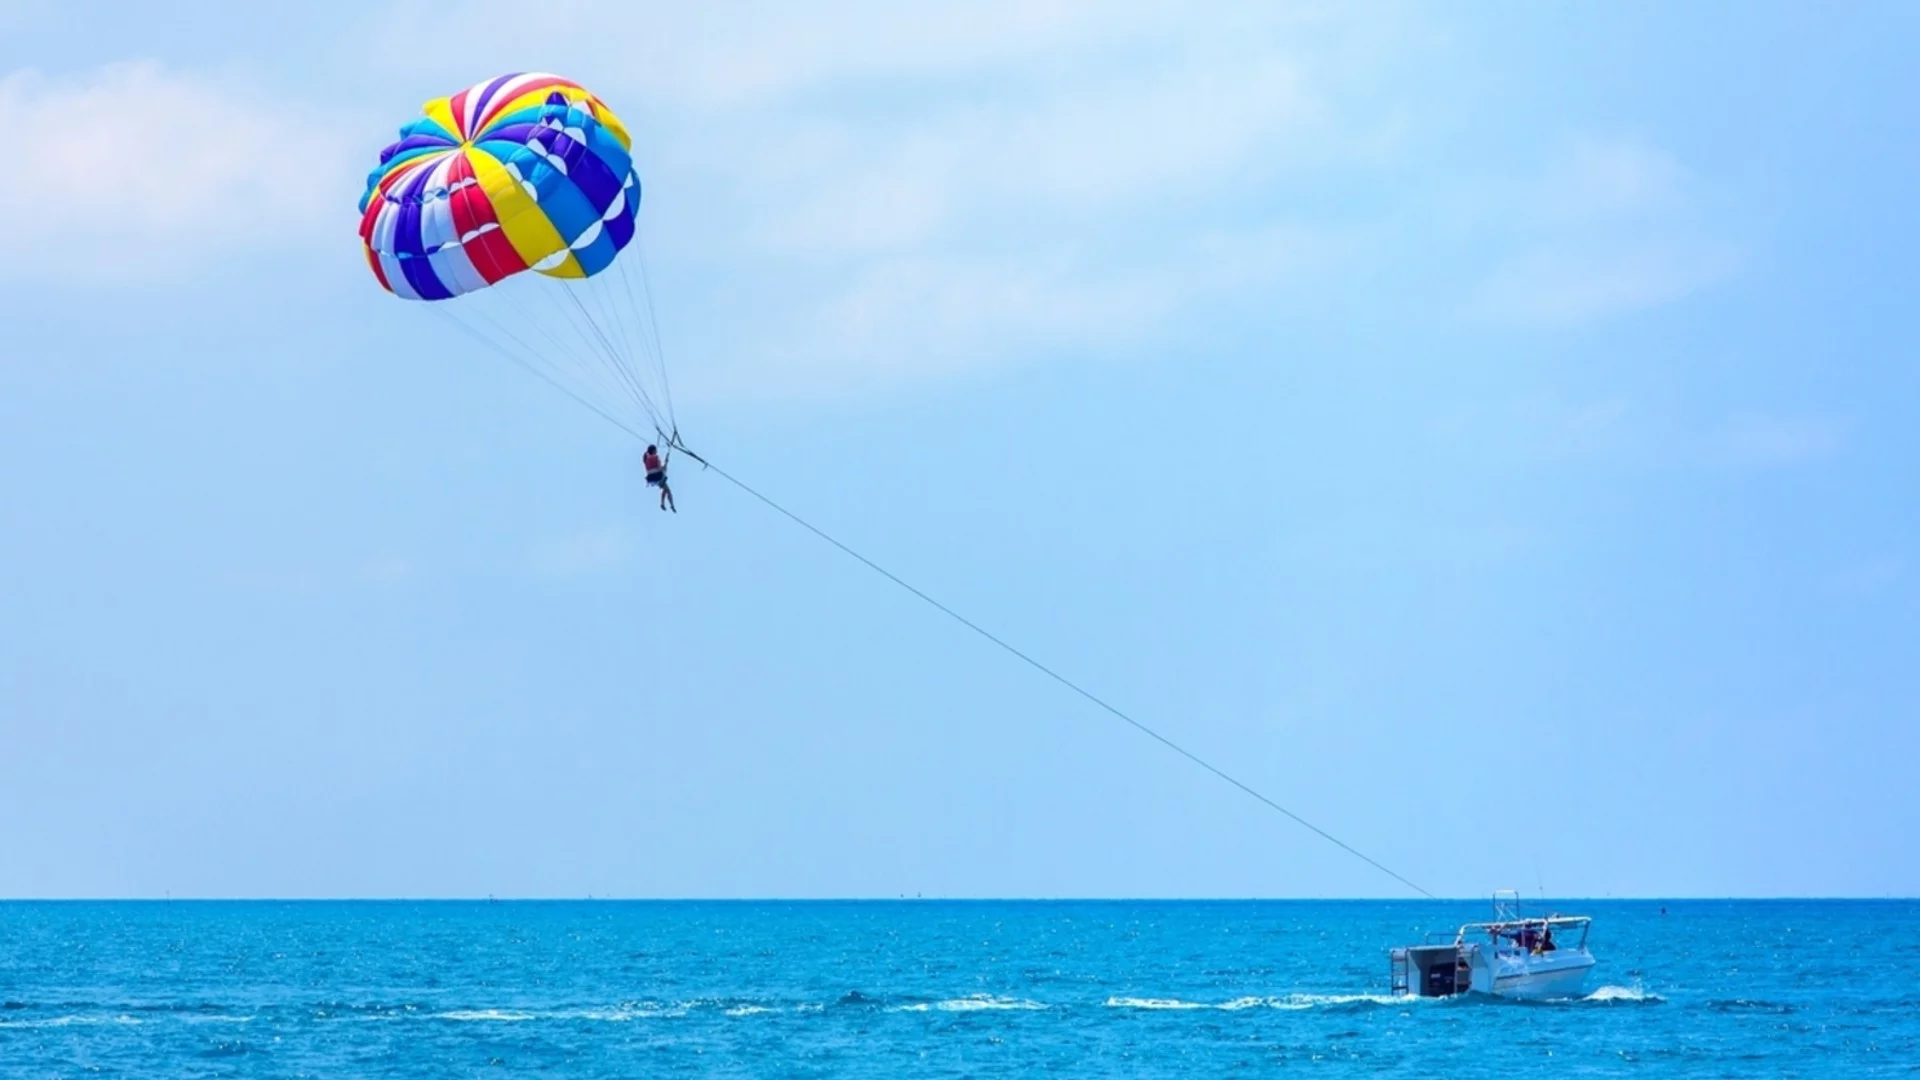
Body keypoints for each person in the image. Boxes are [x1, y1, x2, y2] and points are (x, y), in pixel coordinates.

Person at [643, 444, 675, 512]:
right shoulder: (656, 457)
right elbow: (659, 468)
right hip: (658, 475)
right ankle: (671, 505)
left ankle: (663, 504)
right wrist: (665, 464)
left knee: (665, 489)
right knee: (668, 490)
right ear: (654, 450)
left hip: (652, 478)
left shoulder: (646, 459)